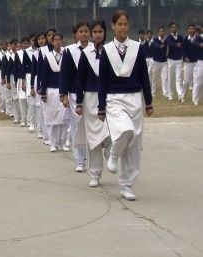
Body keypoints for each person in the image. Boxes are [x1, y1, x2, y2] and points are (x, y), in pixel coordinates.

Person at [99, 10, 153, 201]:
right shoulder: (106, 50)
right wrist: (100, 107)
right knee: (125, 130)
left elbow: (144, 76)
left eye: (125, 24)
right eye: (119, 24)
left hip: (135, 99)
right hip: (114, 99)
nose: (123, 28)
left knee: (133, 145)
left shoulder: (137, 48)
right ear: (113, 26)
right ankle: (113, 153)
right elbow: (103, 80)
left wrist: (148, 102)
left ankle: (127, 185)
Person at [75, 19, 112, 187]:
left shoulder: (111, 51)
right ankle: (95, 174)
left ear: (105, 33)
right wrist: (79, 102)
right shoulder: (86, 53)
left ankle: (112, 155)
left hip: (110, 98)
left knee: (112, 131)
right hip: (90, 99)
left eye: (100, 32)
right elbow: (80, 79)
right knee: (94, 138)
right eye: (95, 32)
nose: (97, 35)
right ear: (91, 33)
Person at [60, 21, 92, 172]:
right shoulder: (69, 51)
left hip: (92, 93)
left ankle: (91, 158)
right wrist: (64, 95)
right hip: (73, 94)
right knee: (76, 126)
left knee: (91, 126)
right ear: (76, 34)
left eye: (86, 31)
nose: (84, 34)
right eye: (81, 31)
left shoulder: (96, 49)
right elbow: (64, 74)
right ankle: (79, 160)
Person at [40, 33, 70, 152]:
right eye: (55, 40)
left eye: (59, 40)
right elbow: (44, 75)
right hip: (51, 90)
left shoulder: (66, 55)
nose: (57, 42)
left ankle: (62, 141)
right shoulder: (48, 57)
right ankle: (53, 142)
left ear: (62, 41)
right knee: (53, 117)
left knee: (64, 118)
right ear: (52, 42)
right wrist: (43, 92)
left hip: (63, 90)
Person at [166, 21, 184, 102]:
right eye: (172, 27)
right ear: (170, 28)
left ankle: (180, 95)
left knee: (179, 78)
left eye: (175, 27)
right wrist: (177, 45)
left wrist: (178, 45)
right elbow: (170, 44)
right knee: (170, 78)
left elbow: (182, 46)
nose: (174, 28)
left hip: (179, 60)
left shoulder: (180, 37)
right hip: (170, 60)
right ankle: (170, 94)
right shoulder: (169, 37)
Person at [152, 27, 169, 97]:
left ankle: (165, 92)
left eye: (163, 31)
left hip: (164, 61)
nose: (162, 32)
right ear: (158, 32)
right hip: (156, 61)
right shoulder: (155, 39)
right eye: (160, 31)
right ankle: (152, 92)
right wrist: (159, 46)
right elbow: (155, 45)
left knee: (164, 77)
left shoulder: (166, 40)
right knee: (154, 78)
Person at [183, 24, 198, 96]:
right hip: (188, 62)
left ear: (195, 30)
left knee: (196, 80)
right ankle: (182, 95)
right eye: (190, 29)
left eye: (193, 29)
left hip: (197, 62)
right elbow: (183, 50)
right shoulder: (185, 39)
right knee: (186, 80)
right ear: (188, 30)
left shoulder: (198, 39)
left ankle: (194, 97)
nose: (191, 30)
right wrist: (185, 57)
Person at [0, 40, 8, 113]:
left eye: (5, 44)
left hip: (7, 73)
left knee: (7, 90)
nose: (4, 46)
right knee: (0, 91)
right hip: (0, 73)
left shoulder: (9, 54)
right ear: (1, 46)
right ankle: (2, 107)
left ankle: (8, 107)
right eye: (3, 45)